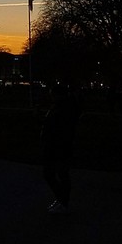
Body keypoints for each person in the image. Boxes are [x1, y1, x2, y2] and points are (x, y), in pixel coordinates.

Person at [41, 85, 82, 214]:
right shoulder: (62, 107)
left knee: (56, 174)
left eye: (52, 94)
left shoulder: (64, 108)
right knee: (58, 174)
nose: (50, 97)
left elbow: (61, 128)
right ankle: (61, 200)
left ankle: (63, 201)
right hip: (57, 146)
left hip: (59, 147)